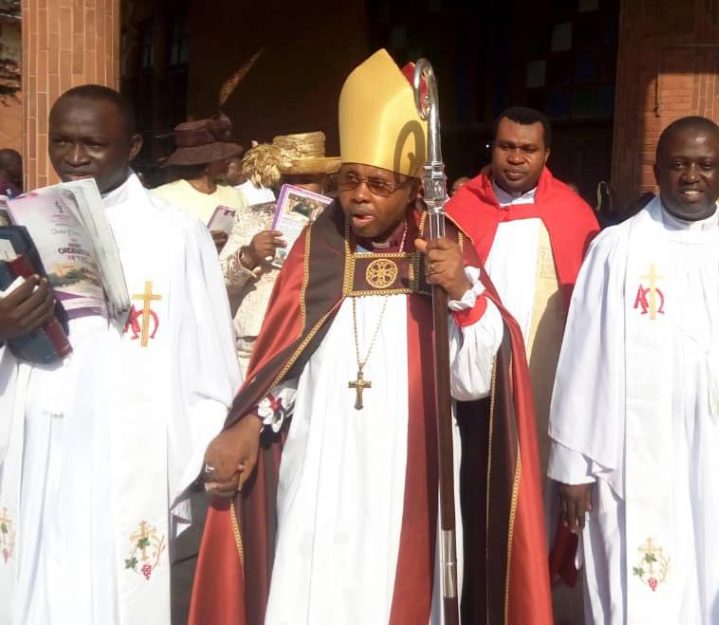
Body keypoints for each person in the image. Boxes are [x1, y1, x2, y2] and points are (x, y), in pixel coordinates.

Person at [188, 49, 553, 625]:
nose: (359, 195)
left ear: (413, 190)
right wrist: (250, 423)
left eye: (379, 184)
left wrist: (461, 291)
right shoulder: (317, 250)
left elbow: (475, 380)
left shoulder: (443, 249)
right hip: (318, 471)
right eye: (350, 181)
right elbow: (287, 363)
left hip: (409, 473)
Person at [547, 116, 719, 624]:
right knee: (643, 576)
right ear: (657, 169)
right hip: (636, 457)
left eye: (705, 165)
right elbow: (583, 357)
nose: (691, 175)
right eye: (678, 164)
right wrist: (572, 467)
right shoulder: (616, 249)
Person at [0, 85, 240, 624]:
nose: (74, 157)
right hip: (34, 436)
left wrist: (201, 442)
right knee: (31, 582)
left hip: (124, 444)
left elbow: (209, 353)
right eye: (61, 141)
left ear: (132, 147)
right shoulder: (18, 224)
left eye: (93, 144)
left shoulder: (174, 234)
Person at [446, 106, 600, 474]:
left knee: (532, 472)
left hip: (544, 375)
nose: (515, 158)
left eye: (528, 149)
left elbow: (593, 313)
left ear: (546, 155)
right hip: (469, 371)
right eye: (506, 146)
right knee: (471, 470)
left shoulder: (573, 213)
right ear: (492, 148)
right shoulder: (459, 210)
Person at [221, 131, 341, 371]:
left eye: (307, 179)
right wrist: (249, 256)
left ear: (324, 181)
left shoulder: (340, 223)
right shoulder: (251, 217)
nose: (297, 188)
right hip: (256, 342)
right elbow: (219, 282)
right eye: (290, 180)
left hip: (318, 338)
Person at [152, 118, 247, 250]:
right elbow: (154, 244)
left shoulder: (235, 195)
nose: (227, 160)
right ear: (206, 164)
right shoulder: (162, 198)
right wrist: (201, 244)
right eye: (221, 156)